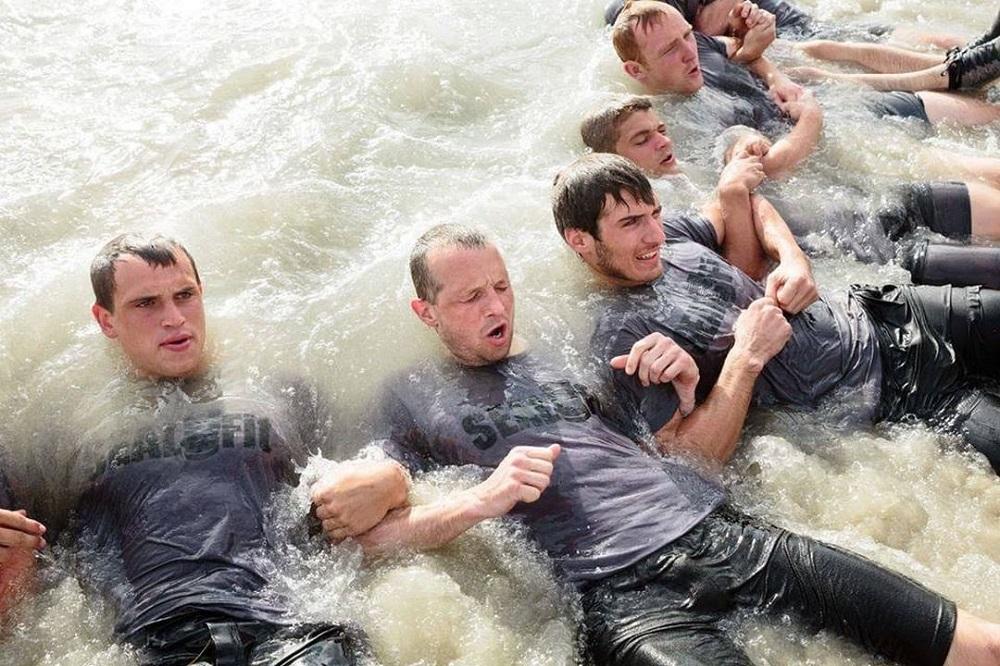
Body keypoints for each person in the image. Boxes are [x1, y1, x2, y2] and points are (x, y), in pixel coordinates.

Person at [352, 223, 1000, 666]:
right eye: (470, 297)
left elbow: (675, 453)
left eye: (501, 287)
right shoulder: (411, 396)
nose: (496, 306)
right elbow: (365, 535)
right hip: (622, 597)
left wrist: (688, 391)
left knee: (975, 647)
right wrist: (477, 503)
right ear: (426, 312)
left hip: (723, 532)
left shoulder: (564, 361)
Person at [0, 233, 411, 665]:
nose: (174, 318)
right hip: (159, 644)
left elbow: (381, 470)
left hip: (298, 628)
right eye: (146, 304)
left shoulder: (282, 392)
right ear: (106, 320)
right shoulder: (56, 433)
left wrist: (392, 479)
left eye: (185, 295)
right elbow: (24, 576)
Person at [552, 152, 1000, 476]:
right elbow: (688, 460)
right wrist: (746, 358)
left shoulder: (667, 234)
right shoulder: (623, 339)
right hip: (897, 393)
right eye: (631, 223)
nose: (653, 234)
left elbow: (750, 204)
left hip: (888, 310)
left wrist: (792, 260)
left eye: (654, 213)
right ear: (580, 240)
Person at [580, 96, 1000, 270]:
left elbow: (734, 145)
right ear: (612, 160)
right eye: (643, 139)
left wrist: (742, 138)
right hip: (870, 249)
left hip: (879, 200)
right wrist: (733, 189)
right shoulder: (660, 217)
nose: (662, 141)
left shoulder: (686, 165)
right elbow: (739, 264)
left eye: (660, 129)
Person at [612, 2, 1000, 131]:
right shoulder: (637, 17)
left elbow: (723, 42)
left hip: (784, 30)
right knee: (818, 60)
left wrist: (759, 51)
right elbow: (708, 30)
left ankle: (960, 62)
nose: (682, 45)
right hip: (787, 58)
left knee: (830, 44)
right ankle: (956, 72)